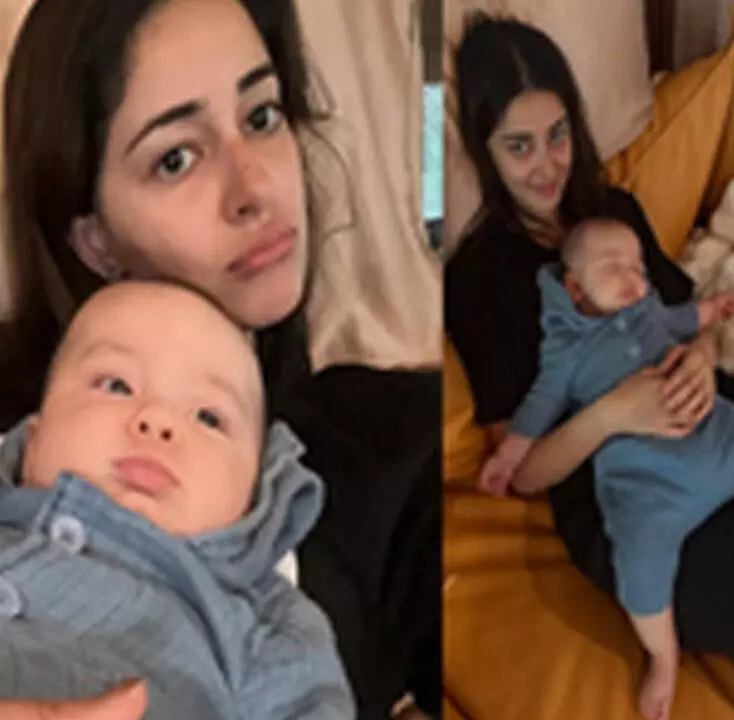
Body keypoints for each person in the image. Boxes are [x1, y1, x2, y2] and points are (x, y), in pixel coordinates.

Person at [0, 1, 441, 718]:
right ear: (94, 240)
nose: (255, 188)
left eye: (261, 116)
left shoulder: (395, 443)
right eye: (176, 158)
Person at [444, 12, 734, 716]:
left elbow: (690, 318)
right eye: (519, 146)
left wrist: (702, 356)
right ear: (485, 151)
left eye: (558, 134)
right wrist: (612, 414)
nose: (547, 164)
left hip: (720, 422)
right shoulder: (482, 280)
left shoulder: (614, 212)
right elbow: (525, 470)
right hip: (629, 497)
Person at [480, 218, 734, 719]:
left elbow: (683, 318)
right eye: (614, 268)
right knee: (640, 561)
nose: (632, 277)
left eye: (638, 267)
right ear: (575, 289)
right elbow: (538, 409)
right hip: (651, 485)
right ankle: (663, 656)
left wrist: (710, 321)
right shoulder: (566, 350)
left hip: (715, 436)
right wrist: (509, 456)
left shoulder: (647, 310)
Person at [0, 281, 353, 719]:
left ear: (254, 490)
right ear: (33, 440)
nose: (157, 421)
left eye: (208, 417)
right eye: (116, 385)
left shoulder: (263, 627)